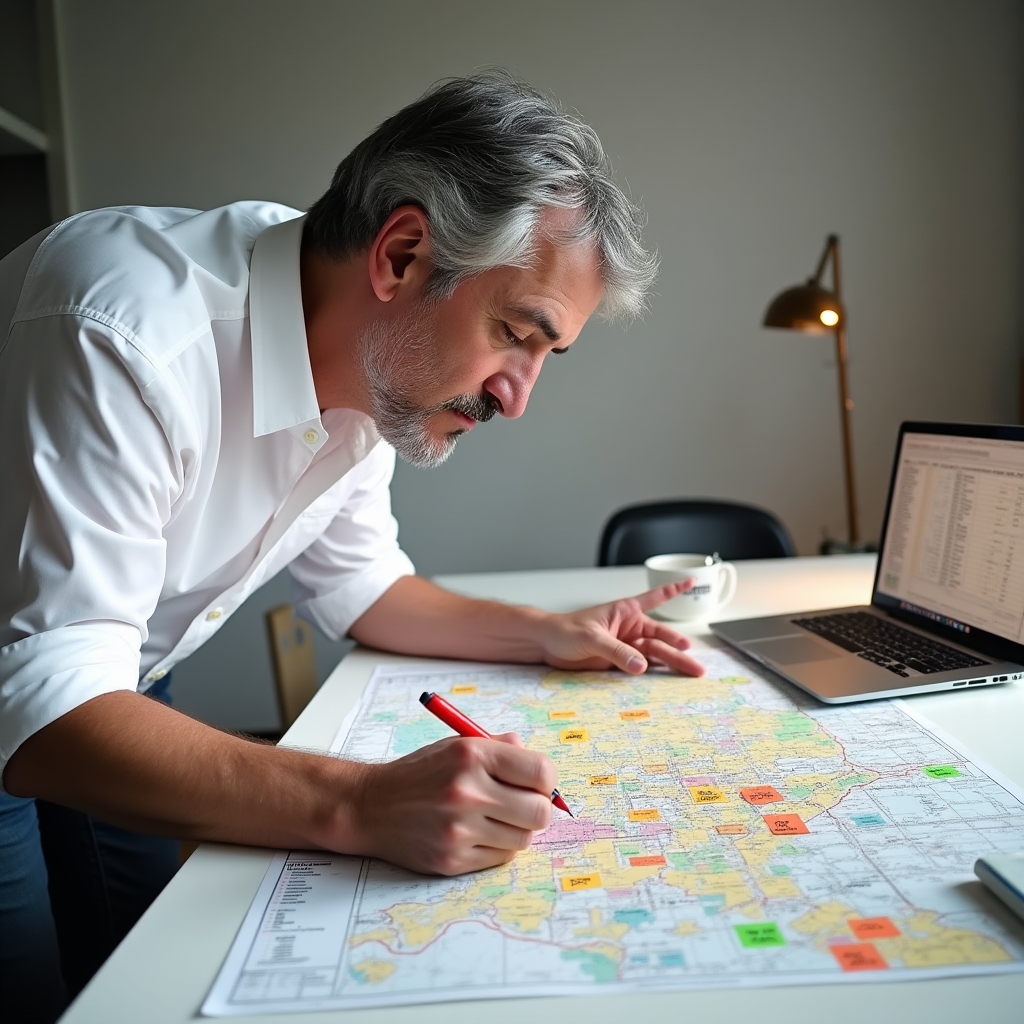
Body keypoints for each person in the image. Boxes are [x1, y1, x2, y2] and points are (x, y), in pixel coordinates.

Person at [0, 70, 702, 1020]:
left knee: (134, 959)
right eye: (514, 335)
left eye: (546, 356)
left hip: (113, 680)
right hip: (47, 697)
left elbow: (367, 589)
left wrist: (547, 632)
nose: (517, 395)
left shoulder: (361, 369)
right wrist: (361, 805)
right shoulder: (125, 329)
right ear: (403, 254)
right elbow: (47, 701)